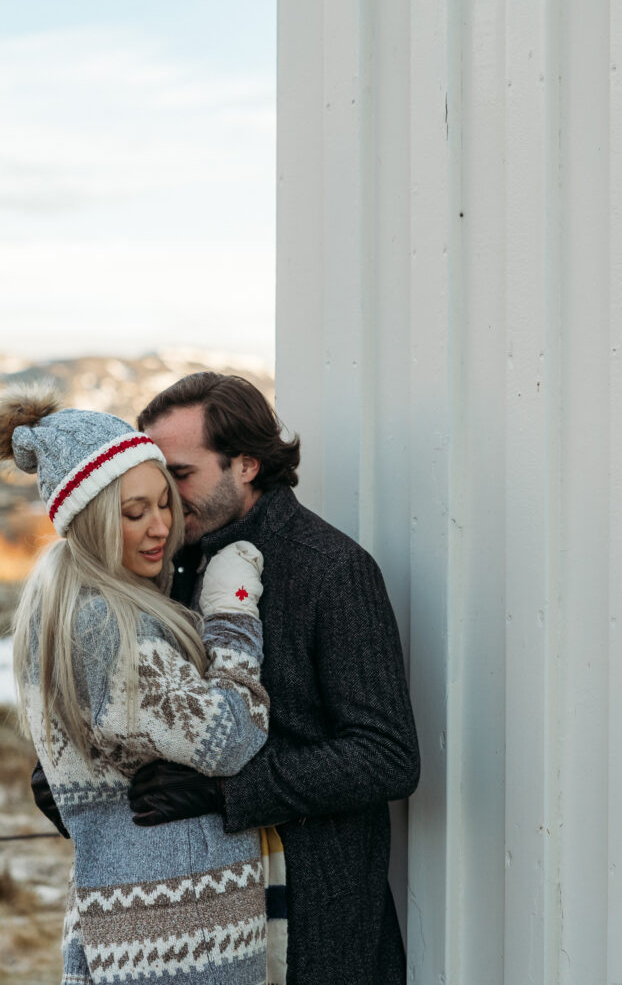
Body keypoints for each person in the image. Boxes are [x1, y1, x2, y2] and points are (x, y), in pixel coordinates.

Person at [33, 372, 420, 983]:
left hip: (316, 929)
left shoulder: (333, 570)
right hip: (191, 934)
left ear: (244, 465)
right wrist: (82, 771)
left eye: (178, 477)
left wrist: (228, 794)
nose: (164, 500)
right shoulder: (172, 564)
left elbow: (387, 756)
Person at [0, 386, 273, 984]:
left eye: (163, 503)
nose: (160, 527)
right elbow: (234, 737)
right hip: (176, 937)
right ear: (86, 520)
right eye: (133, 512)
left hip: (136, 913)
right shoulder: (108, 622)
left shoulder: (71, 604)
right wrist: (232, 612)